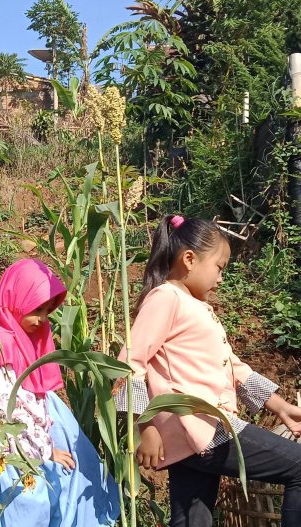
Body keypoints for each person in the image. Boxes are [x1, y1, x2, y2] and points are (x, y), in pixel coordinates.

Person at [115, 215, 301, 526]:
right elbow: (130, 364)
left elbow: (234, 366)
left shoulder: (196, 305)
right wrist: (144, 427)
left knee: (193, 520)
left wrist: (280, 405)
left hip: (192, 433)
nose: (221, 278)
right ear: (189, 259)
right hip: (204, 425)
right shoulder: (166, 298)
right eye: (219, 267)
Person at [0, 258, 120, 526]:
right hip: (6, 459)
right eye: (36, 310)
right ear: (14, 300)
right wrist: (47, 450)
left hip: (29, 455)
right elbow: (8, 409)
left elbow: (35, 400)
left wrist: (46, 448)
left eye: (47, 311)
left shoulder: (25, 338)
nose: (42, 319)